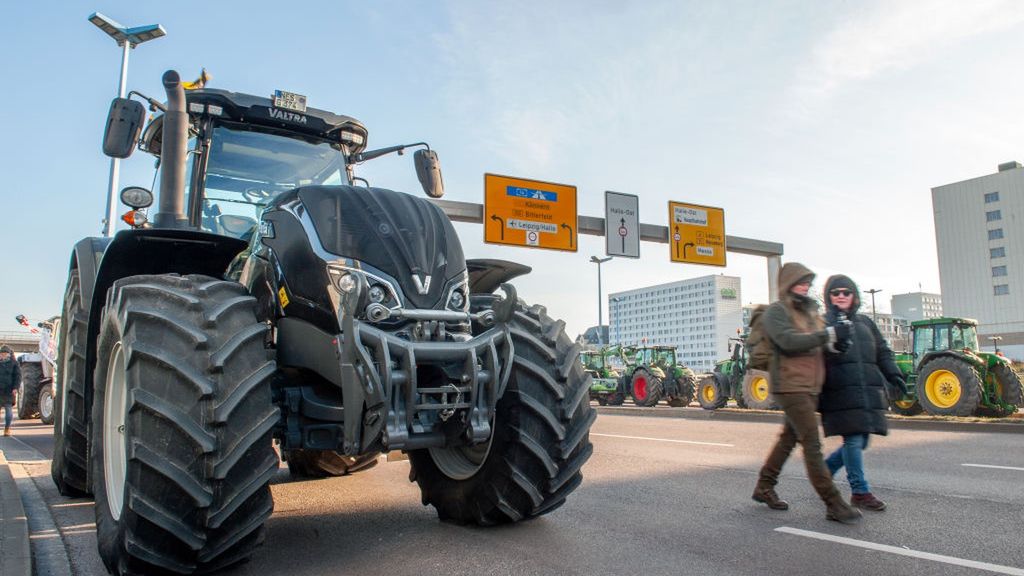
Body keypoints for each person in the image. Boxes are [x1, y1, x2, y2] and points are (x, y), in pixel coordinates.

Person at [751, 262, 862, 524]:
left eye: (808, 282)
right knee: (812, 444)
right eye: (800, 281)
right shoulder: (777, 312)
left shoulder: (810, 311)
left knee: (788, 439)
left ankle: (764, 487)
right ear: (787, 282)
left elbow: (819, 344)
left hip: (810, 385)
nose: (805, 286)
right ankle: (833, 503)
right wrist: (828, 334)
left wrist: (837, 344)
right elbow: (789, 342)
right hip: (790, 385)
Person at [820, 275, 907, 512]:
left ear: (854, 296)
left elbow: (883, 352)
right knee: (854, 439)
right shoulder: (822, 324)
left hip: (867, 390)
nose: (841, 296)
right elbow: (816, 356)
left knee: (862, 440)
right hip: (839, 392)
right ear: (828, 297)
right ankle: (860, 491)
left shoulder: (866, 323)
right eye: (835, 292)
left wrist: (894, 374)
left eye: (845, 292)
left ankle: (824, 471)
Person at [0, 345, 20, 436]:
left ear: (9, 354)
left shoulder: (14, 363)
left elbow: (17, 377)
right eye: (2, 353)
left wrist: (15, 388)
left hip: (9, 391)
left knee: (8, 411)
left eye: (5, 353)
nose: (3, 355)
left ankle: (7, 429)